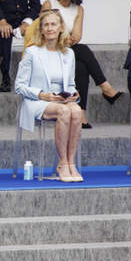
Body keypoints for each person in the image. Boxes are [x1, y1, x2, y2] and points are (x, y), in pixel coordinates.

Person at [41, 0, 122, 128]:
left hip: (68, 51)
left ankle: (81, 113)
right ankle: (105, 87)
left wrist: (64, 39)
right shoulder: (49, 4)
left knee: (81, 66)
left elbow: (76, 35)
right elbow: (45, 30)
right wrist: (63, 39)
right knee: (82, 49)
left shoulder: (78, 9)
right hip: (51, 50)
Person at [14, 10, 82, 183]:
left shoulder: (68, 53)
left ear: (61, 28)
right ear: (41, 30)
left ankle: (71, 162)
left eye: (54, 24)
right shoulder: (32, 52)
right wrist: (43, 95)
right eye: (46, 25)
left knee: (76, 110)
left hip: (61, 99)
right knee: (65, 112)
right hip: (37, 100)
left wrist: (73, 94)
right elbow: (19, 86)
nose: (50, 28)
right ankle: (62, 163)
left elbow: (71, 83)